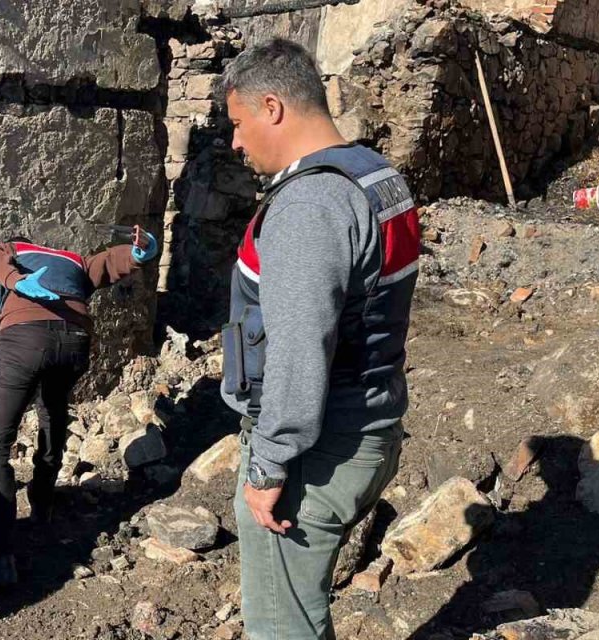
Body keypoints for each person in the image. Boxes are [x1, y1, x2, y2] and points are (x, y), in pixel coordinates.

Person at [217, 39, 421, 639]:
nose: (233, 141)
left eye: (237, 122)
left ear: (273, 108)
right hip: (373, 412)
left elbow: (300, 346)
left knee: (284, 625)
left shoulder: (310, 203)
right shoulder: (375, 175)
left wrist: (269, 463)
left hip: (321, 444)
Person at [0, 226, 159, 585]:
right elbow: (109, 263)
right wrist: (138, 253)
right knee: (52, 413)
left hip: (25, 338)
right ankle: (42, 502)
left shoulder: (13, 248)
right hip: (76, 342)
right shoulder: (75, 261)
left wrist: (14, 280)